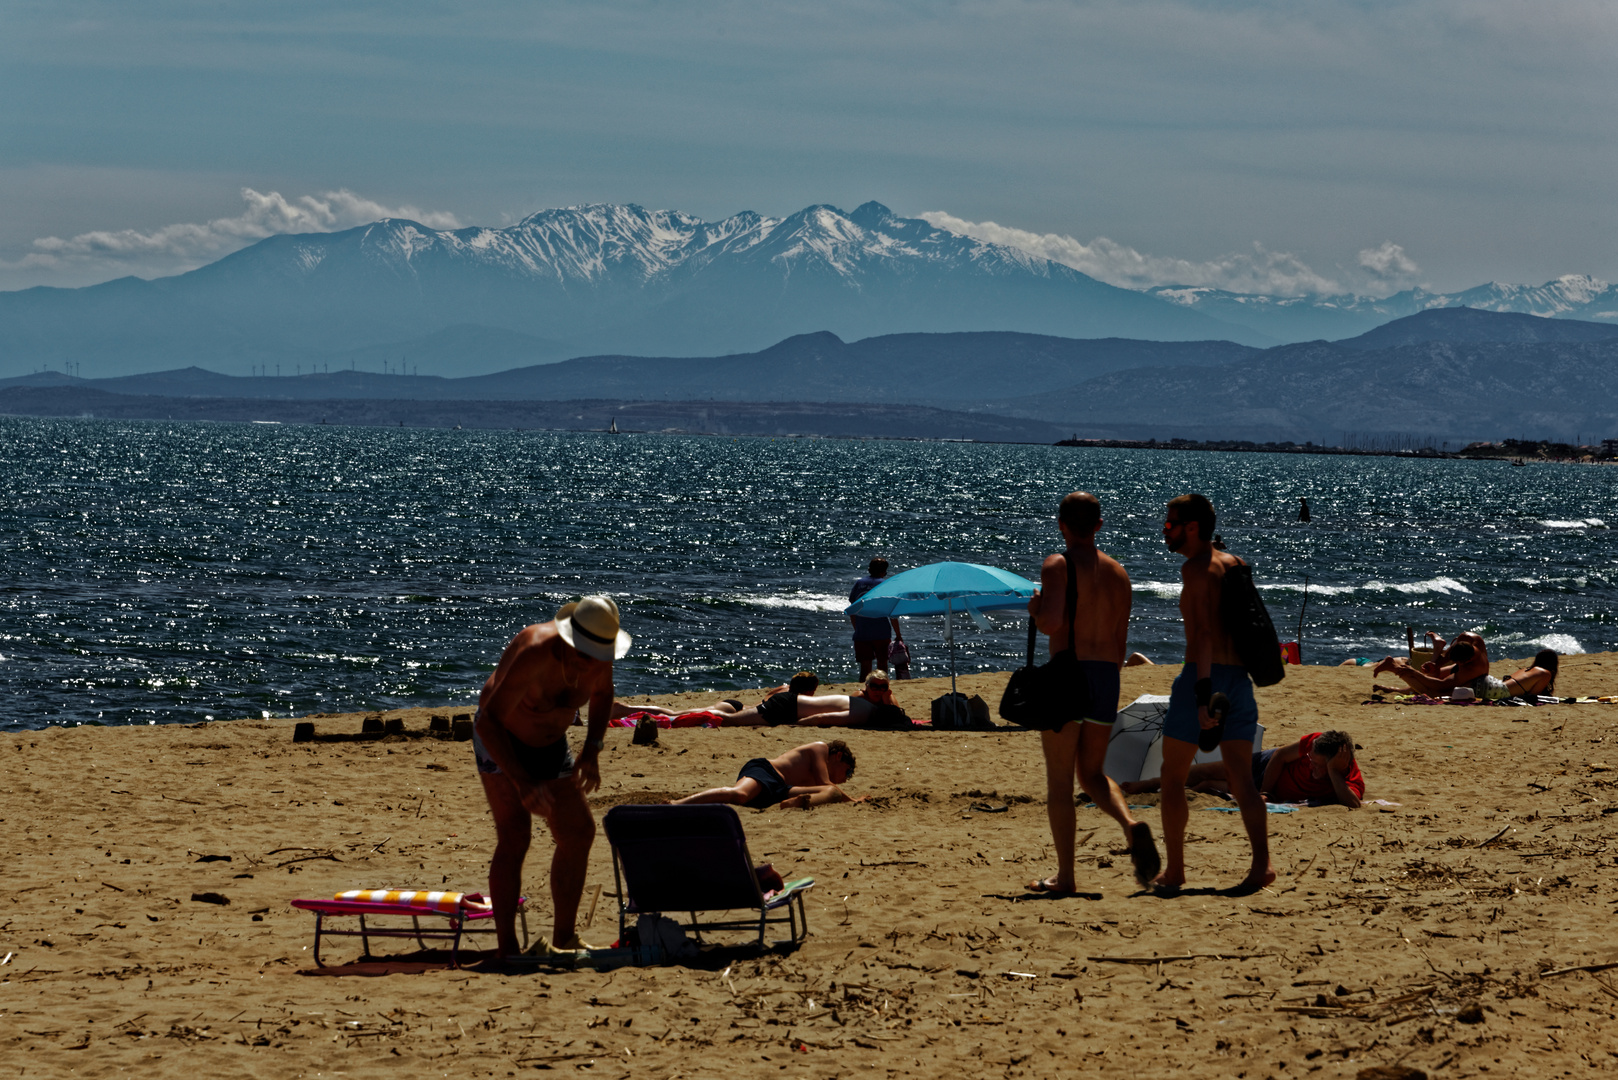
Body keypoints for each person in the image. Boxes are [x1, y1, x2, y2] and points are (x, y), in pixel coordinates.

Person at [472, 595, 631, 960]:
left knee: (579, 834)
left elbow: (604, 694)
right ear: (568, 638)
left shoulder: (599, 656)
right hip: (502, 742)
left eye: (598, 656)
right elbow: (488, 722)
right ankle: (507, 948)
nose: (590, 664)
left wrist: (592, 748)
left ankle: (563, 939)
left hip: (551, 745)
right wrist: (522, 782)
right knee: (515, 836)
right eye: (585, 653)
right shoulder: (534, 652)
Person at [1024, 491, 1159, 895]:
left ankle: (1065, 877)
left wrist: (1035, 609)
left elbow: (1050, 623)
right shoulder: (1119, 573)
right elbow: (1120, 643)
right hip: (1105, 677)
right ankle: (1130, 825)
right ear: (1099, 526)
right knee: (1094, 774)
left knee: (1061, 781)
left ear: (1061, 524)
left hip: (1068, 672)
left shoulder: (1058, 564)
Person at [1153, 493, 1275, 895]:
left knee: (1172, 777)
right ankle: (1262, 866)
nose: (1165, 530)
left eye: (1171, 524)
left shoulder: (1196, 569)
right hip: (1239, 681)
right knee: (1241, 779)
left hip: (1202, 681)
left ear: (1192, 528)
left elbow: (1202, 634)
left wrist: (1203, 695)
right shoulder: (1235, 565)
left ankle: (1175, 871)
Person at [1123, 730, 1364, 809]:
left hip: (1264, 789)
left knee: (1208, 785)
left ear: (1337, 764)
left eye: (1317, 766)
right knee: (1204, 771)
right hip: (1266, 766)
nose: (1310, 765)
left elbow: (1353, 804)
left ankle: (1180, 791)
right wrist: (1266, 792)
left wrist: (1332, 773)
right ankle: (1147, 784)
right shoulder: (1315, 742)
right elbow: (1280, 756)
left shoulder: (1347, 777)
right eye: (1310, 759)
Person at [673, 740, 863, 809]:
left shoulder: (822, 777)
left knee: (833, 793)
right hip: (767, 772)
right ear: (838, 756)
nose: (846, 778)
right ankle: (678, 804)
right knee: (739, 795)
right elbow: (825, 782)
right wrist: (853, 801)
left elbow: (828, 788)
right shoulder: (820, 748)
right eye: (848, 771)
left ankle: (796, 804)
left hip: (781, 790)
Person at [722, 671, 911, 728]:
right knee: (729, 721)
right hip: (787, 708)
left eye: (883, 687)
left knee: (731, 719)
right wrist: (794, 725)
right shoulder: (862, 710)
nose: (879, 691)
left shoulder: (865, 708)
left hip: (790, 704)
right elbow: (822, 718)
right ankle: (701, 717)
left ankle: (703, 715)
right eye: (875, 686)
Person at [1371, 630, 1489, 696]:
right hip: (1462, 666)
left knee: (1433, 692)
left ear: (1467, 660)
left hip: (1473, 681)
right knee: (1430, 675)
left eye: (1459, 662)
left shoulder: (1470, 669)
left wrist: (1416, 673)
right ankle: (1437, 649)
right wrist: (1437, 664)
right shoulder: (1469, 637)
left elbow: (1440, 685)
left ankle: (1393, 668)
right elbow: (1453, 648)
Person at [849, 558, 904, 679]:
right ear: (884, 571)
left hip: (862, 633)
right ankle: (882, 690)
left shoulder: (859, 583)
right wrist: (898, 635)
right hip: (882, 632)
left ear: (869, 569)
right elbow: (892, 613)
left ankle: (864, 693)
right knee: (882, 665)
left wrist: (857, 628)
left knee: (865, 666)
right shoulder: (886, 585)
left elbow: (852, 610)